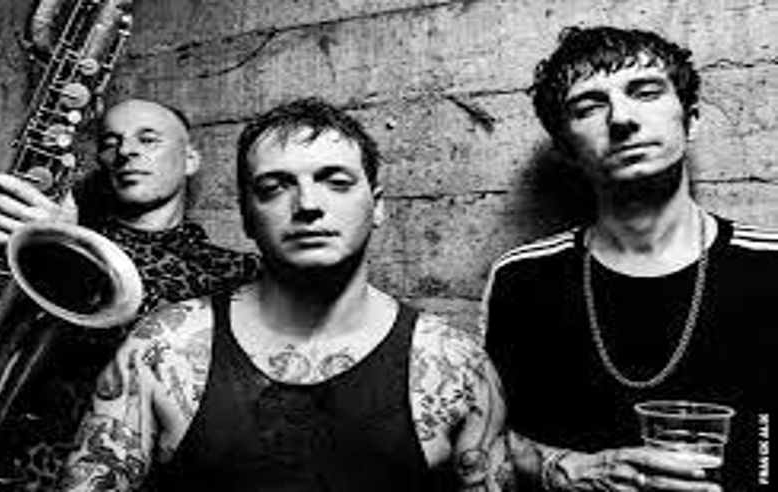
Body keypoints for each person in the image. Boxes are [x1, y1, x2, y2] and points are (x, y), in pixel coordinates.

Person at [60, 97, 512, 491]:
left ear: (377, 206)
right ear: (246, 215)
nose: (308, 205)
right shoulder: (163, 349)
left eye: (336, 182)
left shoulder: (455, 365)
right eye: (274, 187)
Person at [481, 26, 775, 491]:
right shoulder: (522, 278)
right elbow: (483, 445)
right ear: (566, 150)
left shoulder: (769, 265)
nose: (621, 118)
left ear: (691, 120)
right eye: (588, 107)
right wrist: (572, 470)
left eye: (645, 92)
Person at [0, 98, 259, 490]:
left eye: (148, 139)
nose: (126, 151)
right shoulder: (54, 237)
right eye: (111, 142)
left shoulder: (237, 271)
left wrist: (71, 251)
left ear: (190, 159)